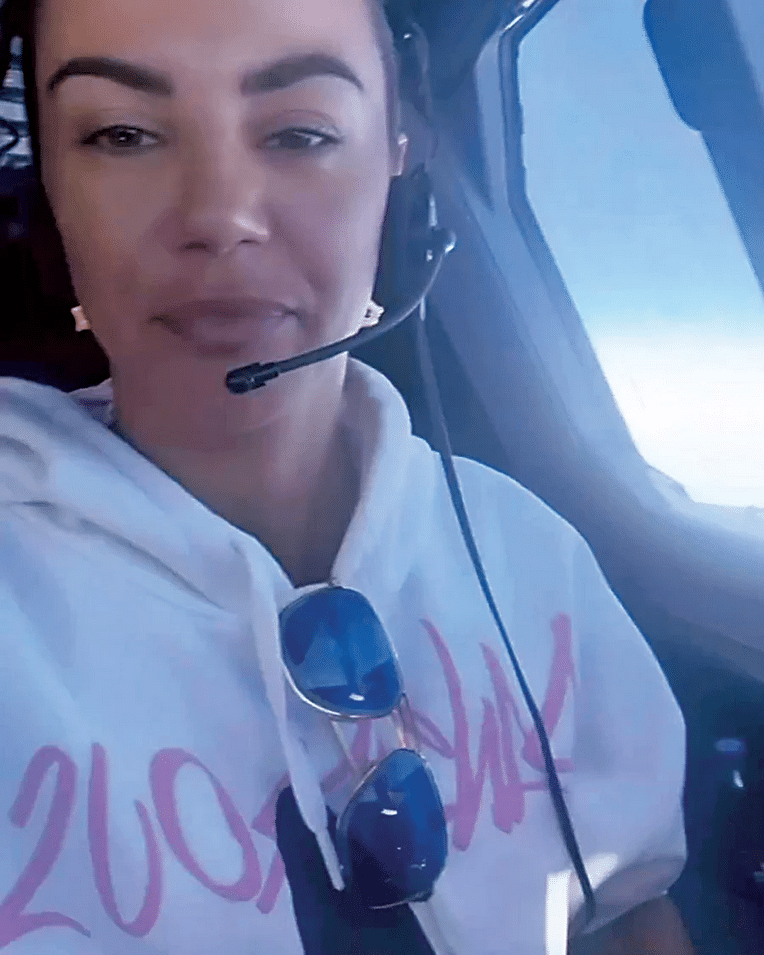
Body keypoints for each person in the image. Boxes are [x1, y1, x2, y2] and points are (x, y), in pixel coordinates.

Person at [0, 0, 696, 951]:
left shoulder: (530, 555)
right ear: (50, 191)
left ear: (398, 155)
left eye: (300, 131)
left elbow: (630, 915)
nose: (220, 217)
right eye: (121, 134)